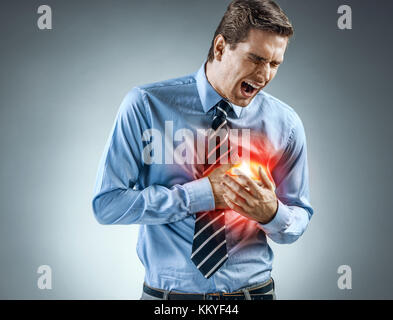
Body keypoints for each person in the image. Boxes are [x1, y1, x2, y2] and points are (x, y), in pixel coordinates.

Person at [92, 0, 313, 300]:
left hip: (255, 294)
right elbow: (107, 205)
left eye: (274, 64)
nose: (264, 76)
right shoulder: (146, 107)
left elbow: (298, 218)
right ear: (221, 48)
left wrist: (271, 213)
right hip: (168, 300)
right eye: (256, 59)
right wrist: (204, 193)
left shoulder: (285, 124)